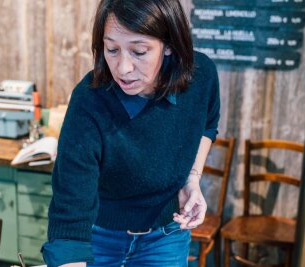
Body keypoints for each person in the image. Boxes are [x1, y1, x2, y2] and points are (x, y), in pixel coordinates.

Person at [41, 0, 220, 266]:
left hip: (165, 237)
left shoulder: (200, 76)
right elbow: (71, 208)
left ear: (169, 45)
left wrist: (191, 180)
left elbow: (208, 124)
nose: (123, 68)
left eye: (139, 51)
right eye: (112, 49)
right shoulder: (89, 101)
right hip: (99, 238)